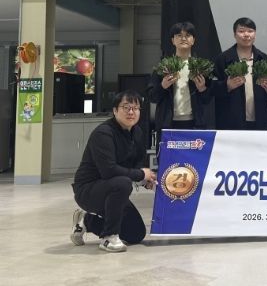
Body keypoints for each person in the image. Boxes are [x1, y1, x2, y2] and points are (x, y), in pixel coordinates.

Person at [70, 90, 156, 252]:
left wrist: (145, 180)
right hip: (88, 191)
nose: (131, 112)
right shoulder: (103, 133)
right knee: (123, 183)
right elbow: (109, 171)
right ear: (115, 110)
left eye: (135, 108)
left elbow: (137, 165)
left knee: (136, 234)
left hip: (113, 189)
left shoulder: (137, 132)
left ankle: (87, 221)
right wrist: (140, 174)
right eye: (126, 107)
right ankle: (109, 237)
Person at [213, 17, 267, 130]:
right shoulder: (223, 59)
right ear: (234, 35)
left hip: (260, 121)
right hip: (231, 122)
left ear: (255, 34)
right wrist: (227, 86)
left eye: (250, 31)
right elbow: (211, 88)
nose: (246, 34)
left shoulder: (263, 58)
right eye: (241, 31)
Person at [147, 22, 212, 137]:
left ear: (193, 40)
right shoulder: (164, 66)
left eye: (187, 35)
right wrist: (163, 86)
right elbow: (152, 97)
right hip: (168, 124)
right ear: (173, 40)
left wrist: (202, 89)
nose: (183, 38)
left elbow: (208, 100)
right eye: (179, 35)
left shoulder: (201, 66)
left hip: (195, 124)